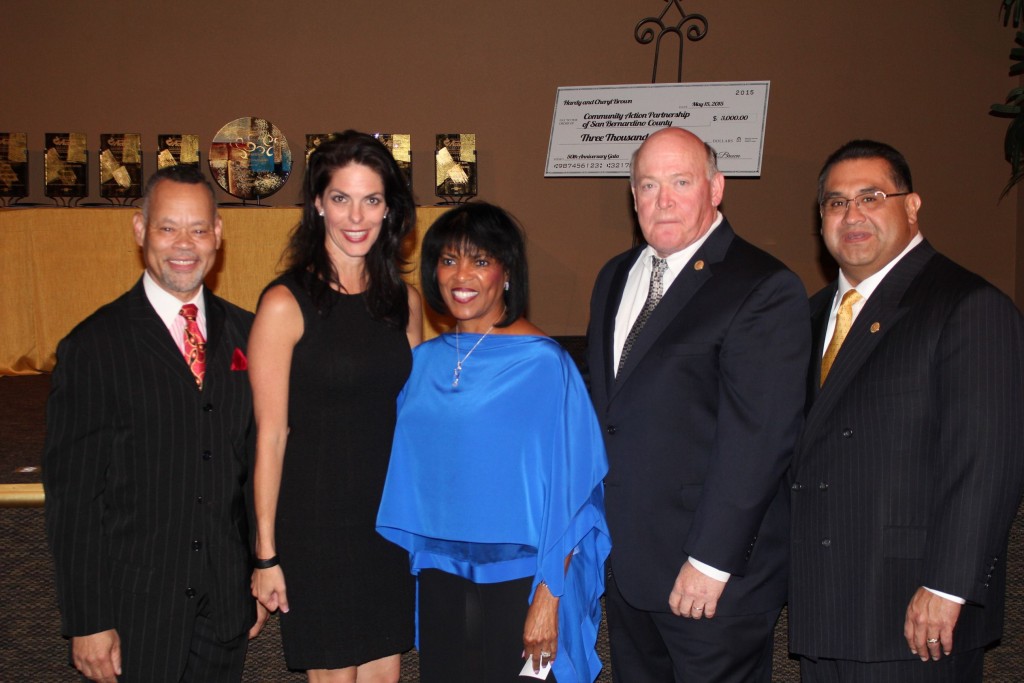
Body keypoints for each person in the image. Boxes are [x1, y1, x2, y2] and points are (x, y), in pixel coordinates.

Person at [788, 139, 1024, 682]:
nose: (853, 215)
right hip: (826, 605)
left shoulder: (967, 306)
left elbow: (988, 463)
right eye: (836, 202)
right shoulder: (809, 315)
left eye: (872, 197)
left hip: (914, 613)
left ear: (912, 206)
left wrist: (948, 585)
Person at [585, 127, 809, 682]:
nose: (662, 199)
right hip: (628, 565)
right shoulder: (615, 276)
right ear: (631, 195)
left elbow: (759, 442)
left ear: (716, 188)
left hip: (710, 577)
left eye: (680, 182)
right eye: (647, 184)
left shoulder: (763, 287)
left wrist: (711, 562)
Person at [43, 164, 266, 683]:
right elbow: (73, 500)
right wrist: (88, 621)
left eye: (198, 228)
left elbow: (255, 465)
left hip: (224, 610)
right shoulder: (93, 347)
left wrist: (255, 572)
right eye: (168, 227)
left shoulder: (250, 333)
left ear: (219, 234)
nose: (183, 244)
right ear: (140, 230)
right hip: (133, 613)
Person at [376, 202, 611, 683]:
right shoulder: (422, 363)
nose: (462, 275)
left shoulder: (545, 365)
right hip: (440, 575)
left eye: (480, 261)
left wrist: (549, 596)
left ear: (506, 273)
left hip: (523, 580)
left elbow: (574, 492)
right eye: (448, 260)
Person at [249, 131, 421, 682]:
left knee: (385, 676)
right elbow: (270, 436)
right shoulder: (284, 304)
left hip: (387, 524)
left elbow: (417, 420)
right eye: (341, 198)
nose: (356, 216)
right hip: (317, 526)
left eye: (372, 199)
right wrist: (266, 553)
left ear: (389, 209)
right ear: (318, 203)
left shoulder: (404, 302)